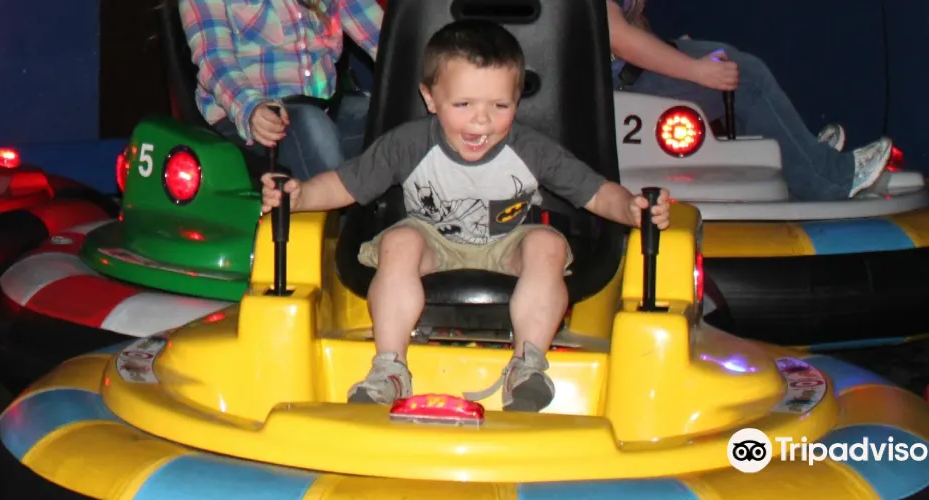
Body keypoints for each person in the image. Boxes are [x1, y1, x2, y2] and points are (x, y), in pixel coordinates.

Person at [260, 19, 672, 412]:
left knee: (547, 244)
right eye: (463, 104)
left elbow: (596, 192)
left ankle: (527, 365)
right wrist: (300, 195)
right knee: (399, 242)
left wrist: (630, 208)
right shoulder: (407, 144)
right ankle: (390, 367)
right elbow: (344, 185)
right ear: (430, 99)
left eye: (500, 105)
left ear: (516, 101)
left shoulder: (532, 149)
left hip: (508, 243)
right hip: (431, 239)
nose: (482, 119)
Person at [606, 0, 893, 200]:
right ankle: (829, 179)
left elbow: (626, 27)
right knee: (748, 79)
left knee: (728, 59)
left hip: (622, 75)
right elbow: (617, 37)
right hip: (619, 87)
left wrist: (680, 54)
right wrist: (695, 70)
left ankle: (799, 153)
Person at [179, 0, 384, 180]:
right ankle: (332, 209)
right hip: (250, 115)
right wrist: (251, 107)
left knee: (386, 115)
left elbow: (381, 35)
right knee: (313, 126)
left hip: (324, 106)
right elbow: (214, 60)